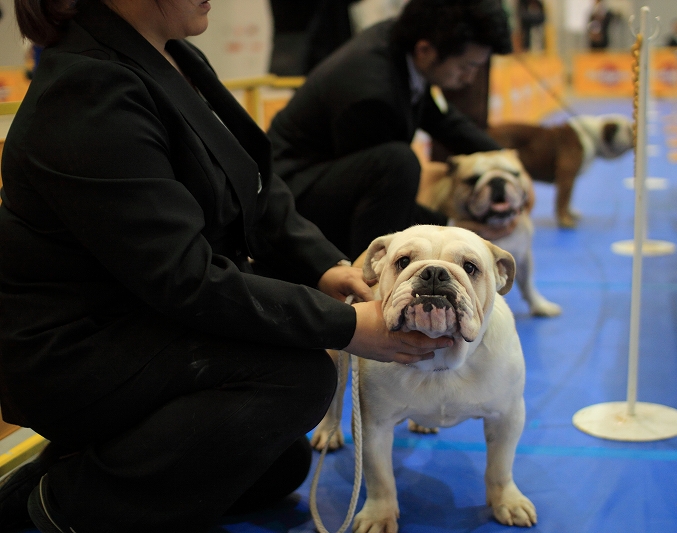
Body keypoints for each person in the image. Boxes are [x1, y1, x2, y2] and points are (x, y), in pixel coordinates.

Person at [0, 0, 452, 532]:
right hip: (76, 353)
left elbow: (254, 186)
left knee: (280, 464)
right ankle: (58, 506)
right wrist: (351, 326)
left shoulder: (171, 57)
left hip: (140, 320)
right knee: (298, 380)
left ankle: (83, 467)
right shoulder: (88, 92)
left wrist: (326, 265)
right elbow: (184, 278)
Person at [266, 0, 516, 260]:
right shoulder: (372, 93)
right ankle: (366, 279)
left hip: (320, 174)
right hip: (288, 195)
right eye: (466, 67)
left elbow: (444, 120)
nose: (470, 79)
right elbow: (388, 193)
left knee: (398, 165)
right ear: (426, 50)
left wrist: (507, 160)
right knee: (399, 164)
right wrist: (456, 228)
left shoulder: (403, 43)